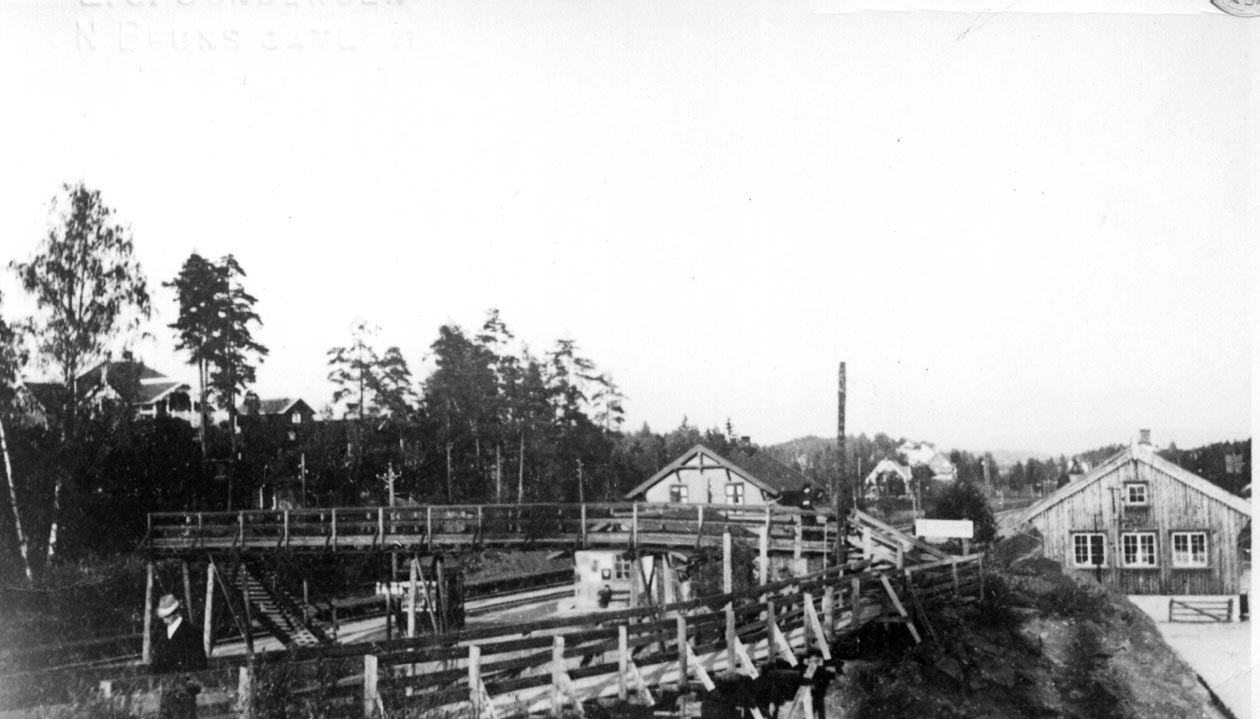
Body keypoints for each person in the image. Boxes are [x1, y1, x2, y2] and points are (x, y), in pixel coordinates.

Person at [152, 594, 207, 719]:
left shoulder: (192, 632)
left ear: (176, 613)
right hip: (166, 692)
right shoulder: (161, 634)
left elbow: (200, 663)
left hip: (185, 693)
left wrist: (187, 682)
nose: (164, 620)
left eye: (167, 616)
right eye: (163, 616)